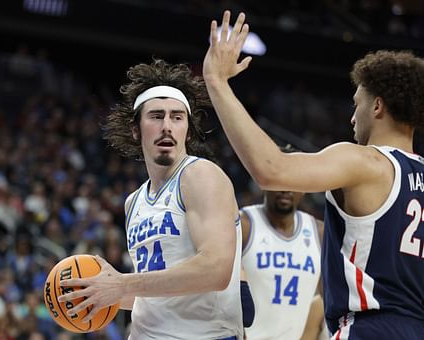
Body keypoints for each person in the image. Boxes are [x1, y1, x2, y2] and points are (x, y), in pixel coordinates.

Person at [203, 10, 424, 339]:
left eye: (356, 104)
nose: (352, 118)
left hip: (371, 327)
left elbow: (271, 169)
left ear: (377, 107)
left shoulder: (365, 161)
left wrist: (217, 83)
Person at [58, 58, 244, 339]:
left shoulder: (200, 175)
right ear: (136, 129)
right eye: (157, 116)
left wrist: (123, 284)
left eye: (177, 117)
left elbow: (216, 270)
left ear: (188, 131)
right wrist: (94, 294)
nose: (167, 126)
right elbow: (159, 295)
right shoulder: (134, 202)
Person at [240, 145, 324, 340]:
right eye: (280, 179)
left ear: (304, 188)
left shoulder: (319, 232)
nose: (286, 188)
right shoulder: (243, 225)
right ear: (265, 181)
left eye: (293, 180)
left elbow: (327, 301)